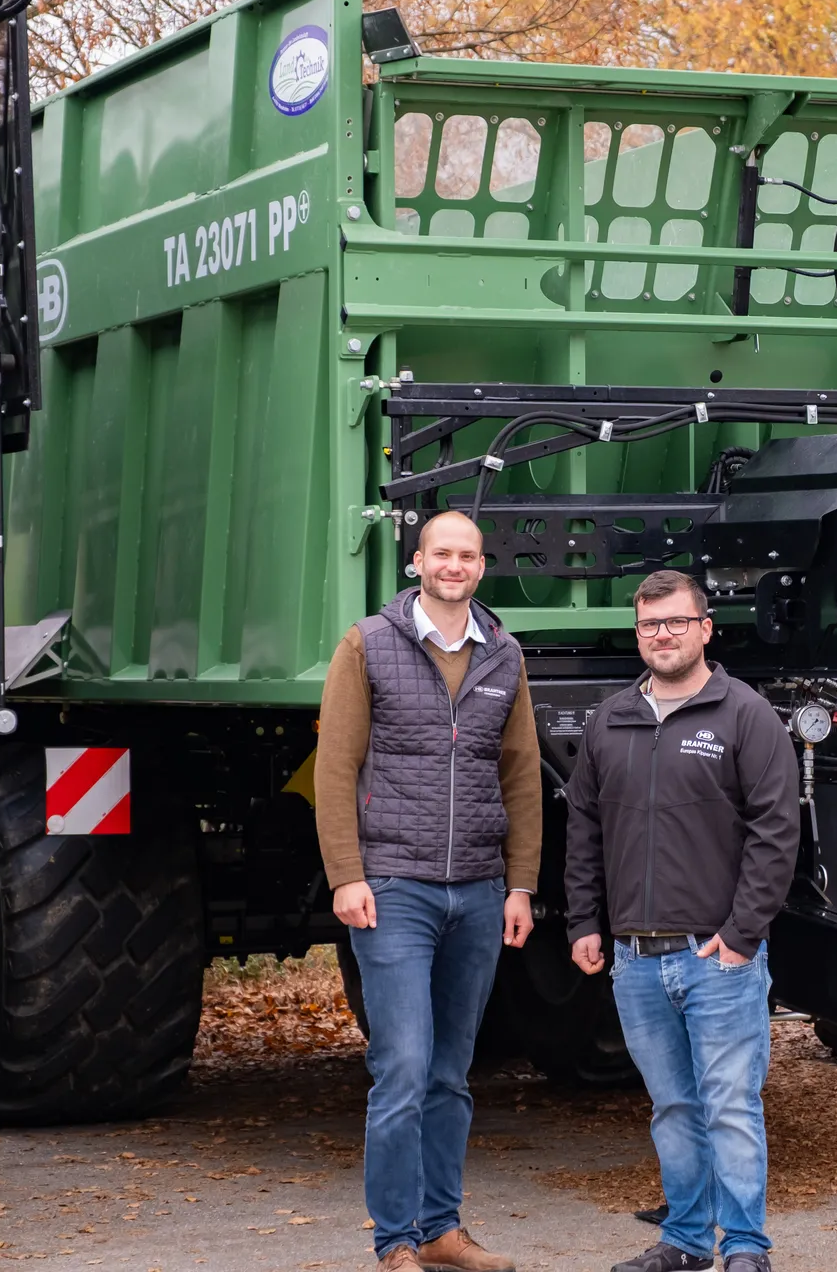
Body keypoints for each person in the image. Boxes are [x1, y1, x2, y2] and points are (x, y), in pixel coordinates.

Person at [315, 510, 541, 1272]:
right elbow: (335, 767)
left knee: (452, 1072)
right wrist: (347, 875)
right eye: (441, 553)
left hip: (477, 892)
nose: (454, 565)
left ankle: (442, 1229)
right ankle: (396, 1241)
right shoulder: (368, 645)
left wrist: (520, 886)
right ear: (418, 561)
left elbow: (520, 775)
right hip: (394, 889)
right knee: (404, 1066)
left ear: (482, 568)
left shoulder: (504, 654)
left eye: (468, 556)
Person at [564, 569, 801, 1272]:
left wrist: (742, 934)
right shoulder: (613, 719)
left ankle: (747, 1248)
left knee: (729, 1106)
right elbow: (584, 828)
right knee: (673, 1109)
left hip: (716, 956)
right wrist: (584, 921)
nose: (661, 635)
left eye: (674, 622)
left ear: (705, 628)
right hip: (636, 959)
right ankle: (689, 1242)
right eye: (648, 625)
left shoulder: (744, 714)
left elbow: (776, 831)